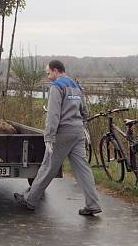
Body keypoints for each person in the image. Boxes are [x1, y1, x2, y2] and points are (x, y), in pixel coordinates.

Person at [14, 60, 102, 216]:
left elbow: (53, 115)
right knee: (83, 169)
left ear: (56, 70)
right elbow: (85, 112)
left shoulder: (57, 87)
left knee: (47, 167)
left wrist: (49, 137)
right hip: (77, 132)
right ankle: (93, 204)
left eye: (48, 73)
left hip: (62, 133)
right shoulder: (76, 86)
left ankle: (30, 200)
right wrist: (82, 126)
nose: (48, 77)